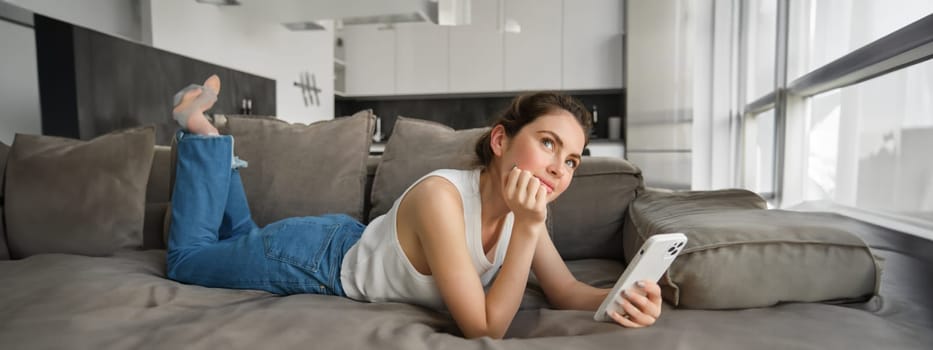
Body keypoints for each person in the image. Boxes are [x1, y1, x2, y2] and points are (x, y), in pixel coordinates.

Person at [166, 75, 664, 339]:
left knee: (238, 240)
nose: (561, 168)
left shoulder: (523, 208)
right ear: (500, 141)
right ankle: (199, 129)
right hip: (314, 258)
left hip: (342, 240)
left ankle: (215, 149)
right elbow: (484, 328)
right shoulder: (441, 199)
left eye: (573, 159)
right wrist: (529, 229)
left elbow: (565, 290)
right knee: (189, 260)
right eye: (549, 143)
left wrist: (623, 298)